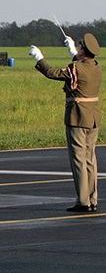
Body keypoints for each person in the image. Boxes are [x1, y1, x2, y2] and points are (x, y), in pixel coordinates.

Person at [30, 33, 101, 212]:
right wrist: (71, 51)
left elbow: (52, 73)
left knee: (78, 160)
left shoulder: (76, 67)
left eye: (79, 47)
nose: (77, 49)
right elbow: (80, 65)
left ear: (84, 50)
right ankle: (92, 199)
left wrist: (40, 58)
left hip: (77, 117)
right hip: (93, 118)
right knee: (90, 159)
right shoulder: (96, 67)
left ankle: (83, 201)